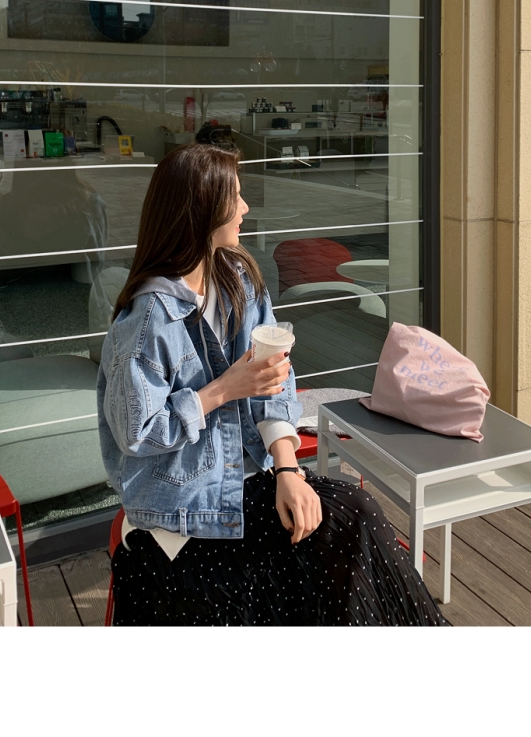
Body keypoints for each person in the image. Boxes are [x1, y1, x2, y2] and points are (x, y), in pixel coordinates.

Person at [97, 144, 447, 626]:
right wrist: (224, 389)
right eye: (235, 198)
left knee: (355, 513)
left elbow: (276, 383)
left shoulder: (237, 278)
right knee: (323, 552)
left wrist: (287, 470)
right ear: (201, 212)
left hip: (249, 481)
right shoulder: (147, 321)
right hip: (181, 510)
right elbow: (137, 434)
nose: (245, 208)